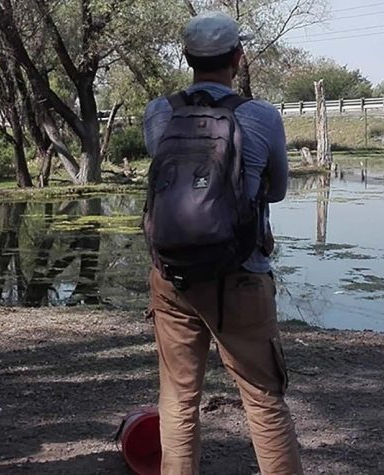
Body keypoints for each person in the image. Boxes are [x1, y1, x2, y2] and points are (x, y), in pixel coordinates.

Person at [142, 11, 303, 474]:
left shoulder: (160, 112)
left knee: (177, 398)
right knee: (263, 400)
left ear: (189, 58)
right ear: (237, 57)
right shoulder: (260, 117)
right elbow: (275, 190)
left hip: (172, 276)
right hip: (242, 277)